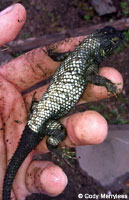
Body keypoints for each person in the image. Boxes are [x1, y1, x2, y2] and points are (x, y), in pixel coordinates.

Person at [0, 3, 123, 200]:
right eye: (114, 43)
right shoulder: (88, 63)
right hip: (41, 123)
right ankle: (54, 145)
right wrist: (107, 84)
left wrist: (53, 54)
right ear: (101, 51)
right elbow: (92, 77)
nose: (117, 43)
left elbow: (60, 55)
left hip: (39, 115)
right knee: (58, 133)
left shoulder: (75, 54)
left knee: (14, 168)